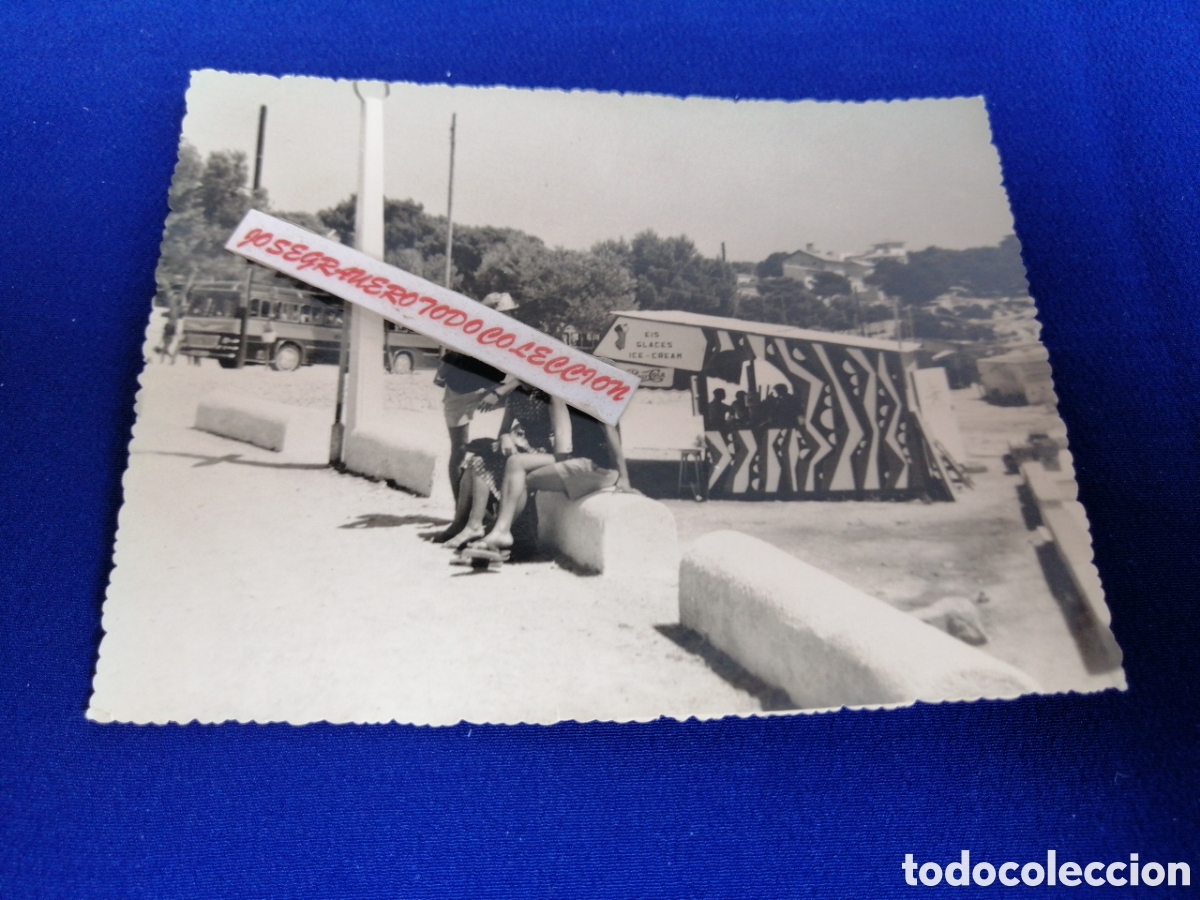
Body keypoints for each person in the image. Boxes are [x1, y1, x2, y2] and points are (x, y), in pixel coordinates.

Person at [464, 399, 635, 558]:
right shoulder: (573, 395)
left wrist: (624, 477)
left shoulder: (595, 397)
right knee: (519, 469)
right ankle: (506, 536)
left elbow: (612, 433)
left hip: (596, 467)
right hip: (581, 461)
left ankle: (503, 535)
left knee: (521, 474)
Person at [435, 382, 554, 549]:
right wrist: (505, 438)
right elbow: (504, 429)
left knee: (483, 463)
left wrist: (519, 441)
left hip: (538, 449)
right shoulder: (515, 394)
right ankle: (465, 523)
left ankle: (472, 526)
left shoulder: (548, 396)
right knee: (477, 461)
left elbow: (556, 436)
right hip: (515, 445)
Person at [437, 292, 520, 498]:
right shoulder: (468, 330)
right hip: (460, 390)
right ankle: (461, 509)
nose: (506, 317)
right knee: (459, 449)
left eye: (508, 313)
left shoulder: (511, 336)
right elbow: (449, 352)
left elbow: (528, 376)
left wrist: (499, 391)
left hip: (491, 388)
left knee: (532, 397)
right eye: (502, 313)